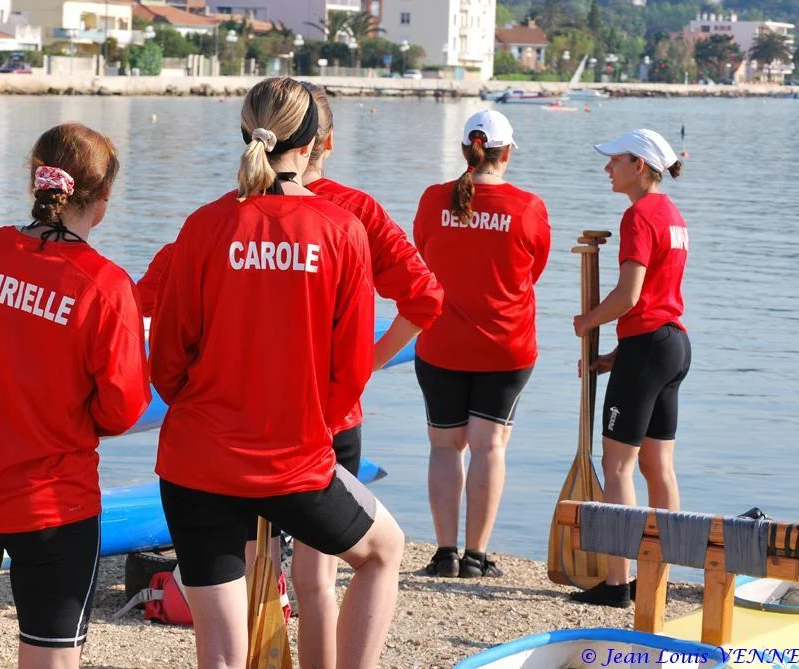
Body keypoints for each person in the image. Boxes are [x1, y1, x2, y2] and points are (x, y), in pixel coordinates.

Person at [150, 77, 404, 669]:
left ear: (247, 134)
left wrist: (206, 407)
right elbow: (348, 372)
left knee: (219, 645)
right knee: (383, 551)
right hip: (291, 458)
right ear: (314, 142)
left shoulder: (204, 225)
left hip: (197, 457)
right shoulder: (341, 229)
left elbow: (166, 355)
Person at [0, 123, 151, 669]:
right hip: (52, 506)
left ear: (35, 181)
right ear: (103, 198)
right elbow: (124, 409)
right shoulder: (105, 285)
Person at [290, 80, 443, 669]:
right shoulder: (355, 210)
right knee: (317, 570)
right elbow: (426, 299)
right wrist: (369, 364)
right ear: (327, 142)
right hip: (329, 416)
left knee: (261, 571)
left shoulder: (234, 209)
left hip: (241, 418)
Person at [412, 109, 551, 579]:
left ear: (465, 150)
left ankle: (444, 553)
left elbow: (425, 253)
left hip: (441, 343)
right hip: (505, 346)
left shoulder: (433, 200)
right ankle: (476, 556)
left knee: (445, 446)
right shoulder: (528, 207)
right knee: (489, 446)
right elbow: (533, 270)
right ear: (506, 153)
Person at [570, 129, 689, 608]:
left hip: (648, 348)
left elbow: (630, 295)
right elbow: (659, 301)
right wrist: (615, 356)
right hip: (672, 345)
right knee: (658, 466)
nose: (607, 169)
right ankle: (661, 575)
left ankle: (618, 583)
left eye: (614, 160)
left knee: (617, 465)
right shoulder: (674, 215)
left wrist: (588, 321)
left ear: (639, 165)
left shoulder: (639, 215)